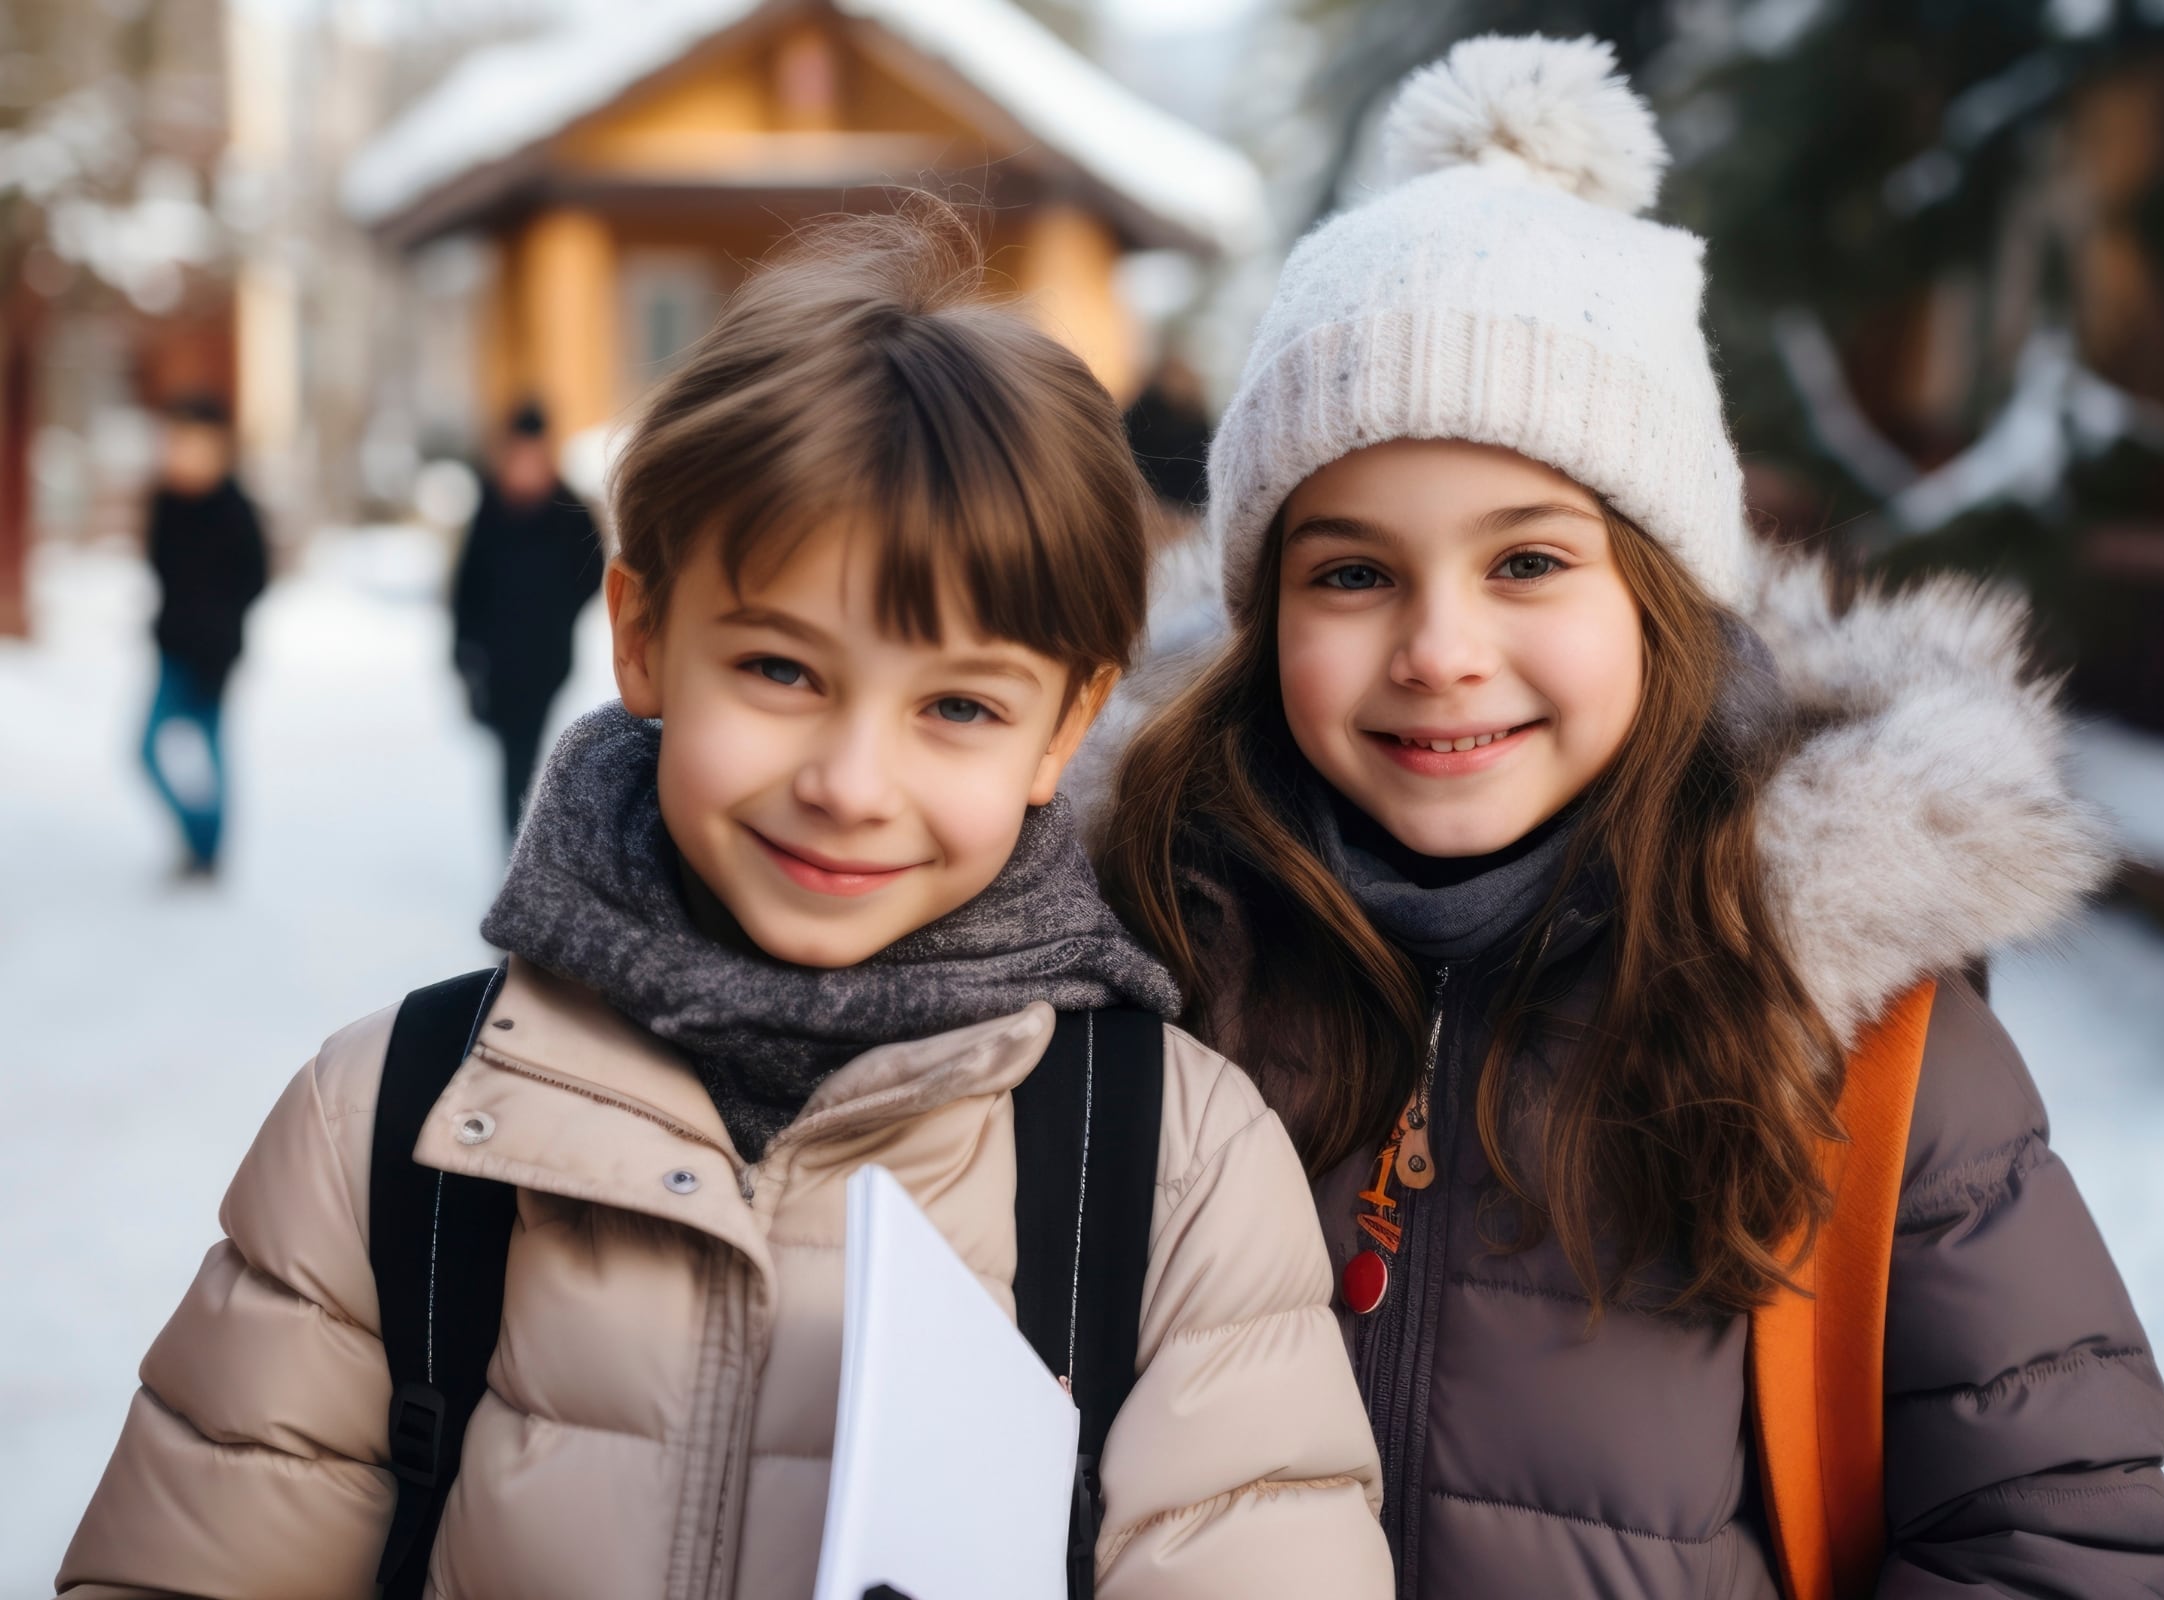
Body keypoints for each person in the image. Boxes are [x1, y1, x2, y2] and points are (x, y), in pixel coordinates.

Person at [58, 206, 1391, 1599]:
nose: (851, 783)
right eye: (781, 672)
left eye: (958, 706)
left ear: (1064, 729)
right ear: (643, 635)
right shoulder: (399, 1127)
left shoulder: (1170, 1163)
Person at [1100, 36, 2164, 1599]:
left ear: (1660, 603)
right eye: (1350, 572)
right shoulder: (1138, 956)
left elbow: (2062, 1534)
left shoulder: (1854, 1048)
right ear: (1259, 616)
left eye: (1529, 563)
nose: (1437, 649)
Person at [451, 397, 604, 837]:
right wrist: (462, 649)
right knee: (512, 756)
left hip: (545, 657)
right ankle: (517, 841)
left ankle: (523, 842)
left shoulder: (567, 510)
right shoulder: (490, 509)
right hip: (497, 660)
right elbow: (467, 587)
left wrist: (558, 612)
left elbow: (592, 573)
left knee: (526, 752)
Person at [139, 392, 267, 877]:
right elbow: (159, 570)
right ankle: (197, 833)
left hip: (215, 653)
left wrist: (218, 626)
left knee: (211, 751)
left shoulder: (234, 508)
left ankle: (210, 851)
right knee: (147, 748)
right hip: (172, 647)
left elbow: (255, 579)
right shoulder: (166, 503)